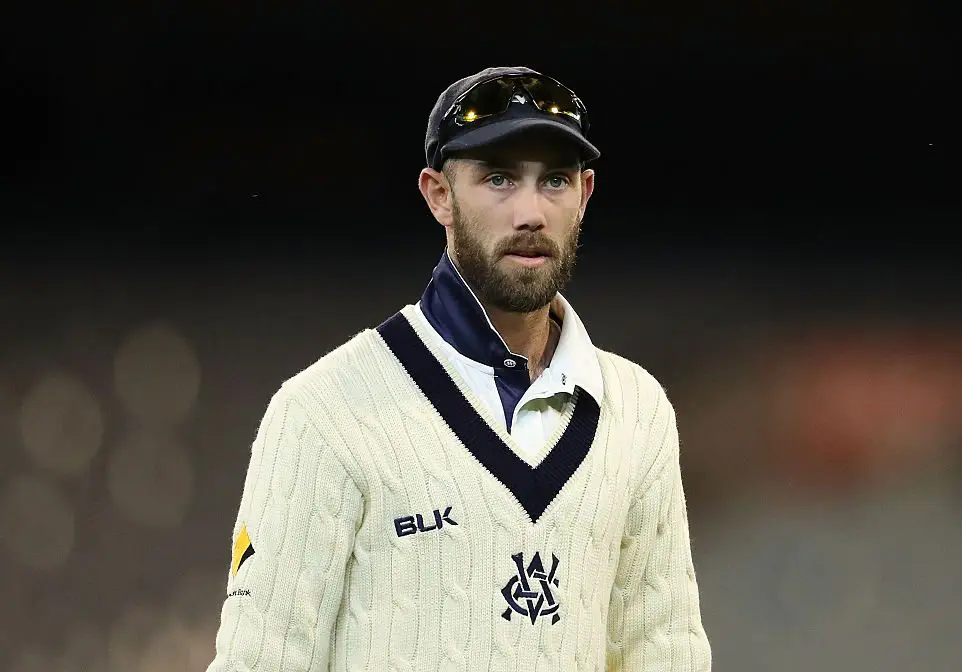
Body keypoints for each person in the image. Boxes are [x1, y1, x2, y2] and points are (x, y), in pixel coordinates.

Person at [207, 65, 712, 671]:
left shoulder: (638, 410)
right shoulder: (324, 412)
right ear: (438, 195)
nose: (530, 212)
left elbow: (666, 652)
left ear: (585, 194)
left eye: (554, 180)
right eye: (499, 178)